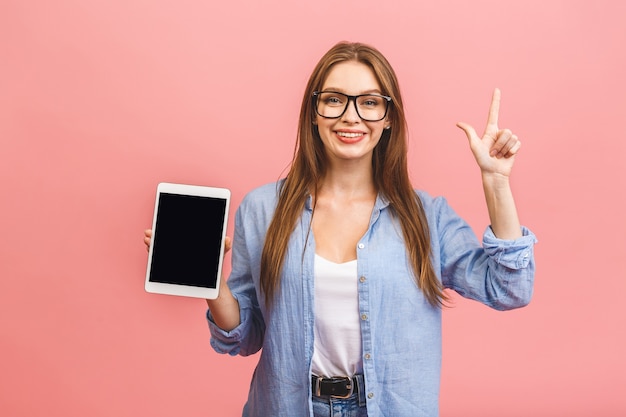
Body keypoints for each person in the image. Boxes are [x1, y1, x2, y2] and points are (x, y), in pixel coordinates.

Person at [144, 41, 537, 417]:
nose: (351, 116)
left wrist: (496, 182)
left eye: (369, 102)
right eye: (334, 100)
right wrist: (213, 286)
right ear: (314, 112)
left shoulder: (426, 216)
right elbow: (244, 336)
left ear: (388, 119)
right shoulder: (264, 209)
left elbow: (509, 288)